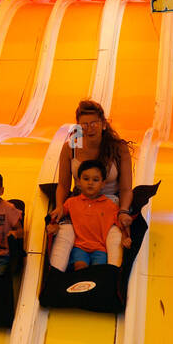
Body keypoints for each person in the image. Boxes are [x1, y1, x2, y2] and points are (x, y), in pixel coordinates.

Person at [51, 100, 135, 269]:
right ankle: (56, 276)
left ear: (103, 124)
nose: (89, 128)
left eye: (93, 123)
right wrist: (60, 206)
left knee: (114, 238)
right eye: (84, 124)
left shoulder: (117, 148)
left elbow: (126, 188)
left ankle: (111, 277)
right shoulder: (72, 147)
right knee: (64, 235)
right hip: (80, 202)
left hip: (109, 204)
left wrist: (123, 210)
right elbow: (63, 185)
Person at [48, 160, 131, 270]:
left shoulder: (110, 206)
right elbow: (59, 217)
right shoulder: (71, 202)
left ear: (103, 184)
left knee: (97, 272)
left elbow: (121, 225)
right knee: (80, 267)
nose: (90, 183)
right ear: (78, 182)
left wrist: (126, 238)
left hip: (100, 249)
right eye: (86, 179)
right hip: (79, 247)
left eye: (95, 180)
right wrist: (53, 226)